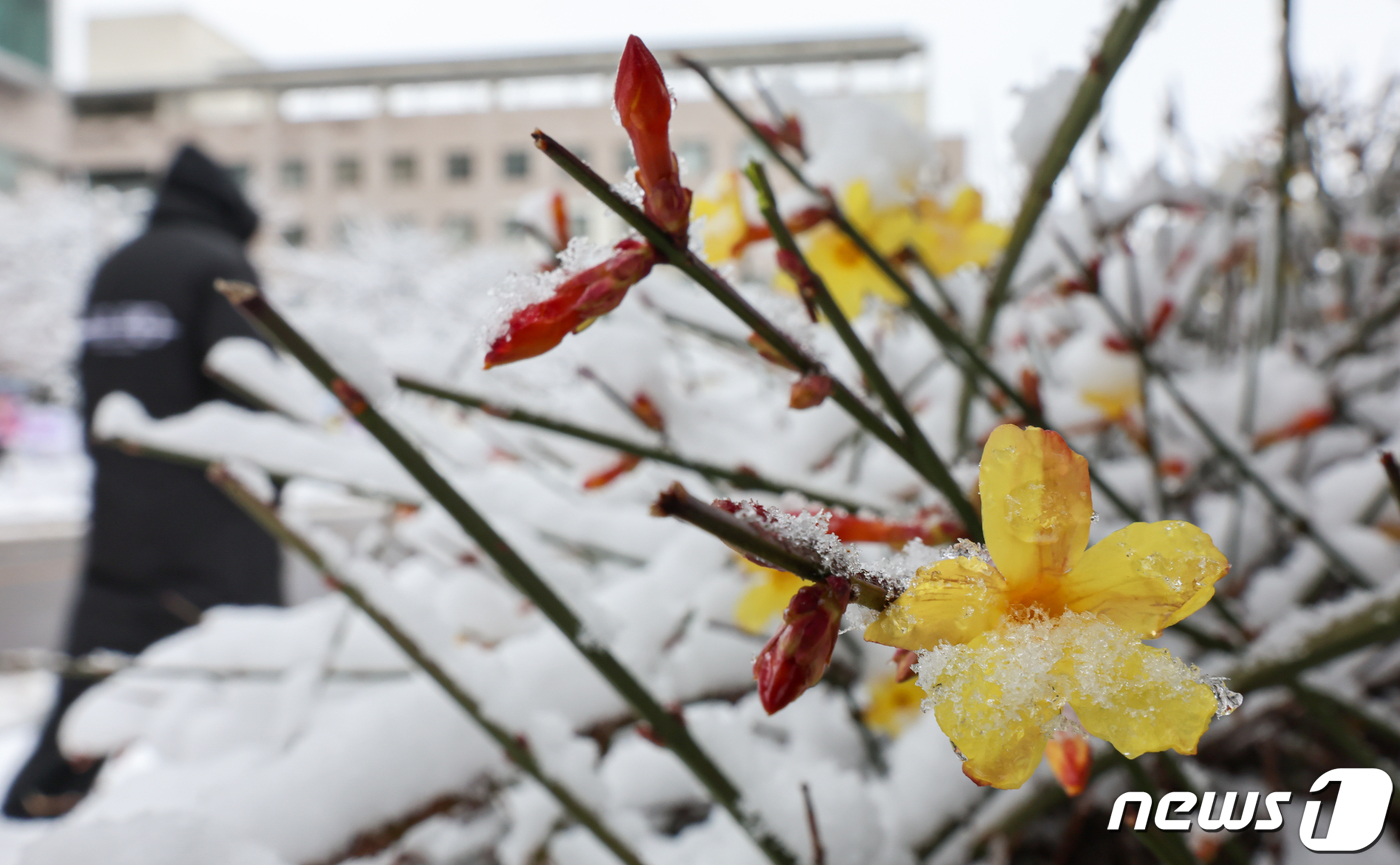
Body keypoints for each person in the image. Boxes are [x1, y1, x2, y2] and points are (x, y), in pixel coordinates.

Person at [3, 145, 283, 819]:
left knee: (90, 690)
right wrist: (276, 486)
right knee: (257, 693)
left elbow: (93, 394)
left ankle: (40, 803)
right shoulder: (220, 265)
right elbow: (255, 394)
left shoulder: (117, 266)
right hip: (219, 527)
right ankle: (249, 822)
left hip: (122, 522)